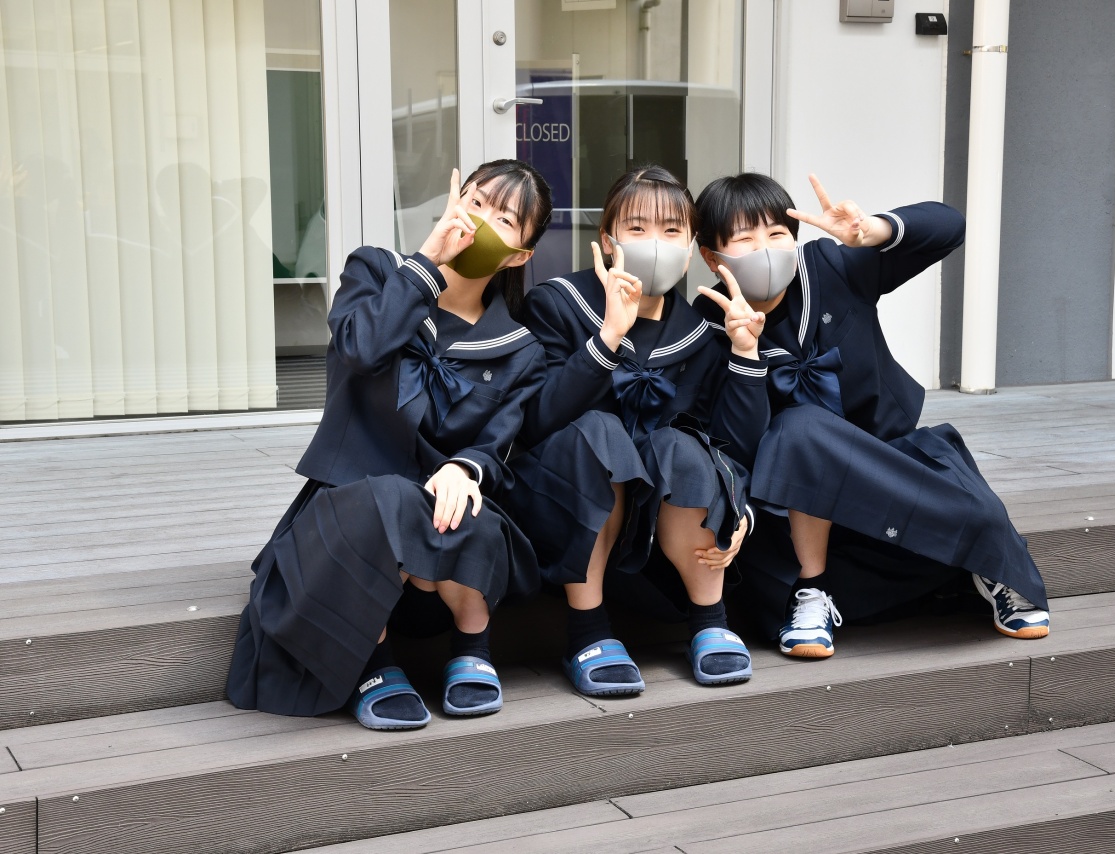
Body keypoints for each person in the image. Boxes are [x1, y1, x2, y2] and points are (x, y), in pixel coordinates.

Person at [226, 160, 552, 728]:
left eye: (504, 220)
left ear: (518, 256)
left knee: (464, 508)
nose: (480, 221)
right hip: (347, 512)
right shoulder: (378, 272)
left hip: (439, 539)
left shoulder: (520, 349)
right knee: (387, 500)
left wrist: (463, 469)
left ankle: (471, 648)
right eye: (475, 202)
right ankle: (374, 664)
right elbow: (359, 348)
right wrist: (427, 263)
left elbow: (497, 442)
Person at [692, 171, 1050, 658]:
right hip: (797, 506)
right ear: (713, 257)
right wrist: (744, 355)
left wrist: (873, 230)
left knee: (965, 497)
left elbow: (949, 226)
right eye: (745, 240)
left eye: (776, 234)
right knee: (799, 426)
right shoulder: (707, 324)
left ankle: (990, 566)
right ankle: (812, 592)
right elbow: (738, 443)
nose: (765, 250)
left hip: (889, 464)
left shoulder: (830, 267)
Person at [508, 165, 769, 696]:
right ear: (608, 241)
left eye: (672, 231)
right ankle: (588, 631)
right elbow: (535, 422)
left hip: (657, 523)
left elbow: (732, 445)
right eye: (637, 228)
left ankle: (710, 618)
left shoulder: (703, 332)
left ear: (691, 249)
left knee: (682, 445)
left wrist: (745, 353)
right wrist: (606, 339)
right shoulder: (557, 304)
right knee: (600, 432)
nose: (655, 243)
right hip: (563, 504)